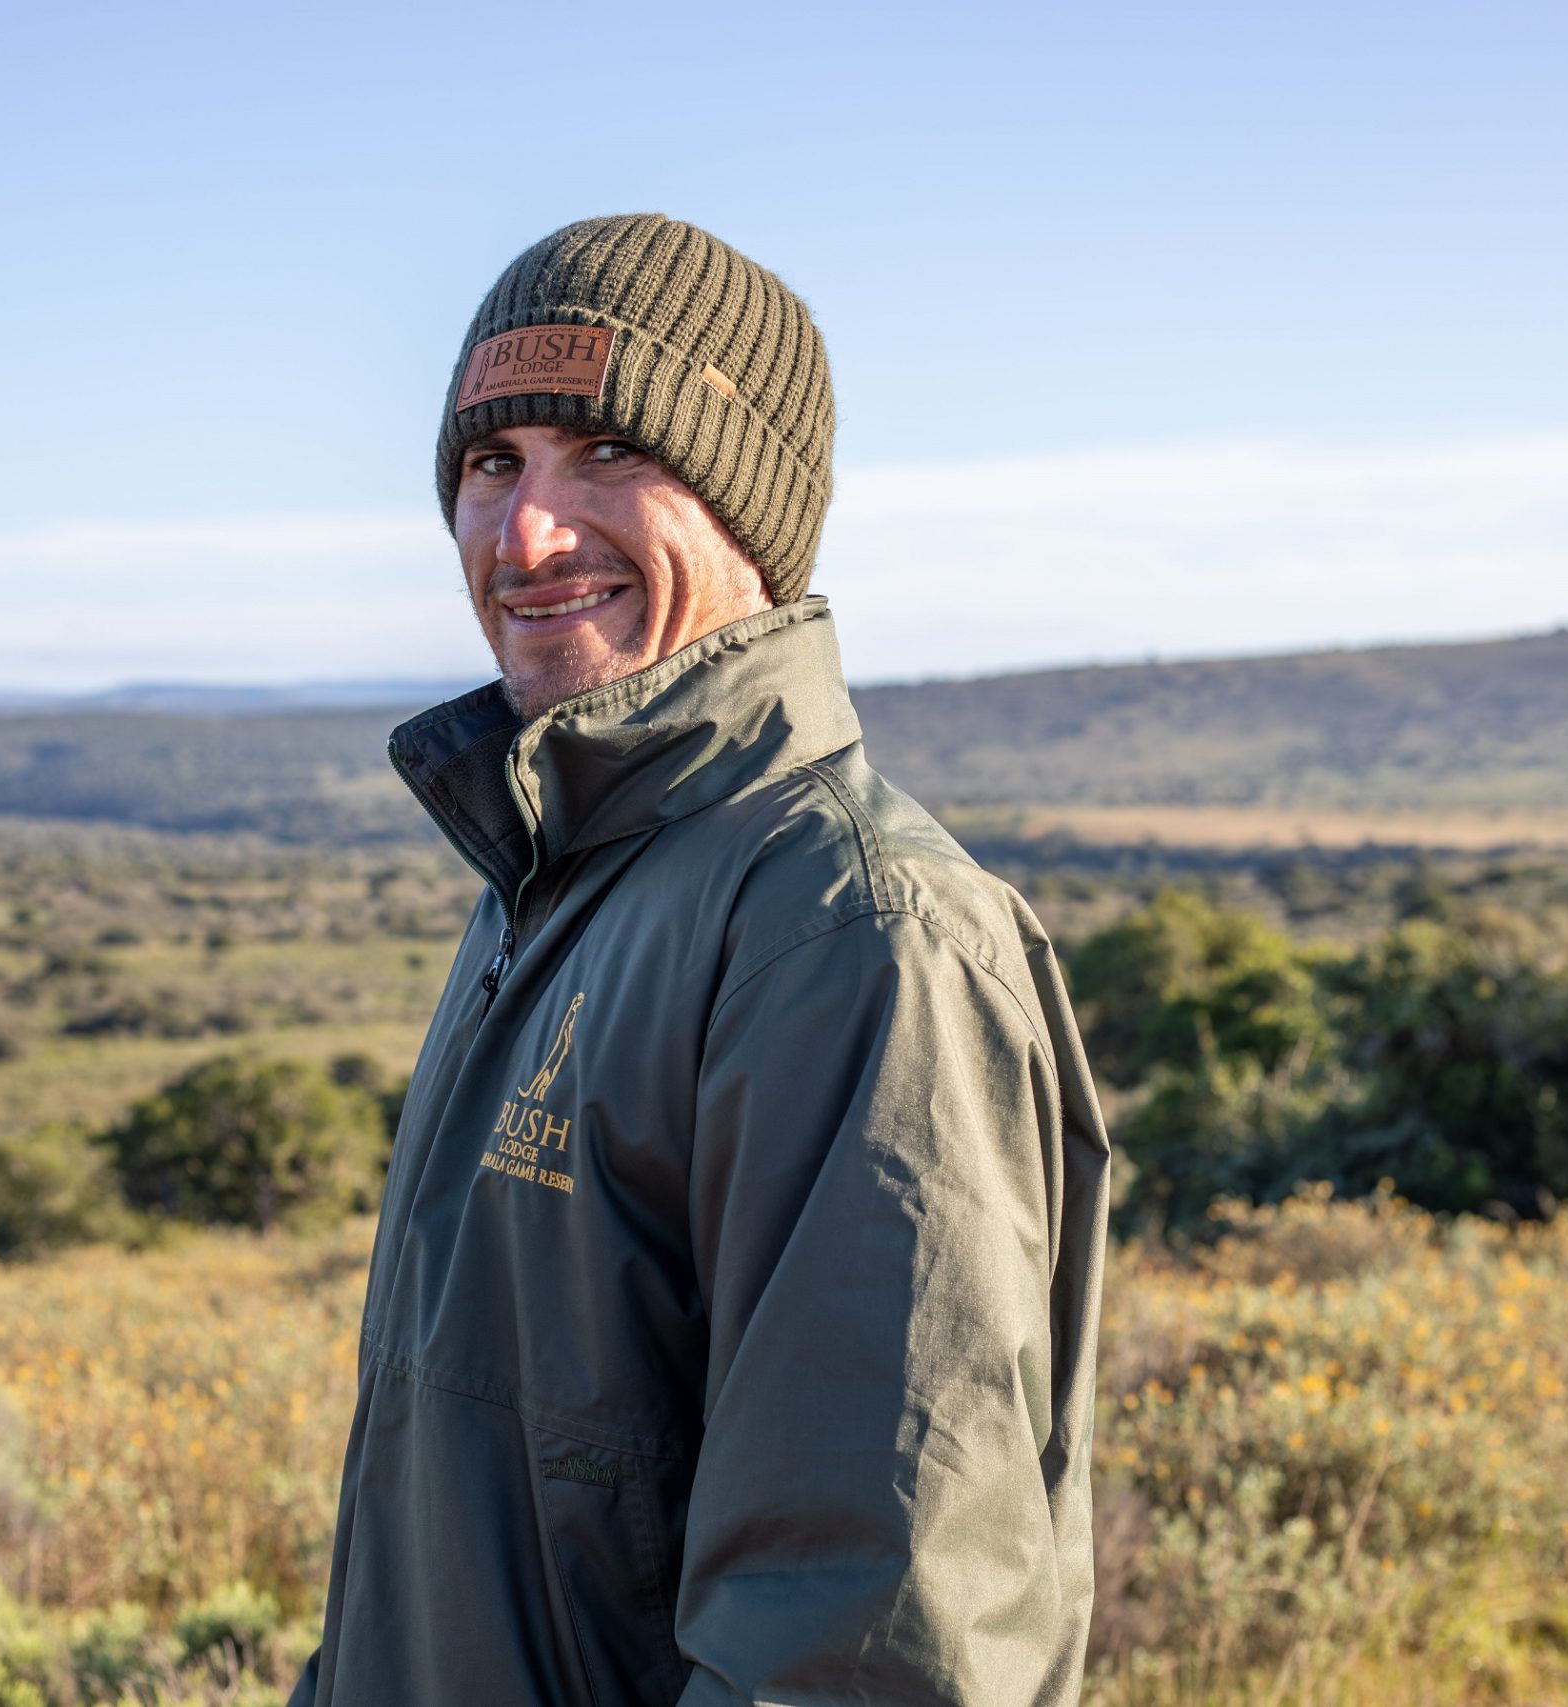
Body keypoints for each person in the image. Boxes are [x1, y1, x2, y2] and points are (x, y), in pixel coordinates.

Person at [289, 213, 1111, 1707]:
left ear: (754, 514)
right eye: (493, 465)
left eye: (604, 452)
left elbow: (870, 1650)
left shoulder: (853, 935)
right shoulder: (549, 884)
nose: (525, 534)